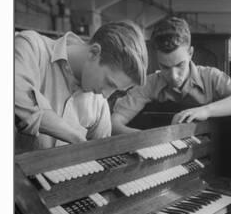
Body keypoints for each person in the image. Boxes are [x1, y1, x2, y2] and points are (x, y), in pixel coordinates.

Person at [111, 16, 231, 134]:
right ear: (156, 58)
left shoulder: (211, 77)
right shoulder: (149, 84)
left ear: (190, 53)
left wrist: (205, 110)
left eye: (179, 65)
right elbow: (115, 122)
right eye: (165, 67)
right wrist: (144, 139)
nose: (174, 76)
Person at [15, 21, 148, 150]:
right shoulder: (30, 47)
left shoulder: (99, 102)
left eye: (116, 90)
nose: (106, 95)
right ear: (94, 53)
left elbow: (101, 155)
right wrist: (76, 138)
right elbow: (19, 103)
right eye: (109, 83)